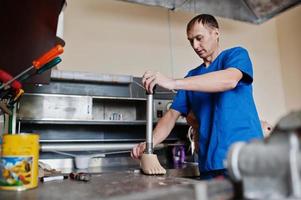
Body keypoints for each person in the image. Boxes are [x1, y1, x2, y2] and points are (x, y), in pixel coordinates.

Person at [131, 14, 263, 179]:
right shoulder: (191, 77)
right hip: (210, 162)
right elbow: (171, 115)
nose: (195, 45)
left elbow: (229, 80)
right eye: (191, 41)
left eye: (199, 38)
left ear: (216, 33)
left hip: (246, 157)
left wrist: (172, 82)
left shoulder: (235, 55)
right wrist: (149, 143)